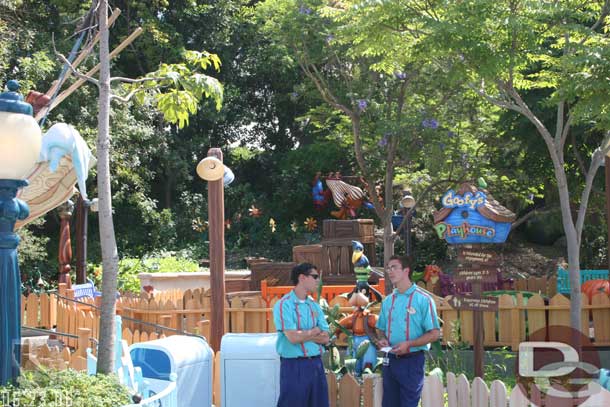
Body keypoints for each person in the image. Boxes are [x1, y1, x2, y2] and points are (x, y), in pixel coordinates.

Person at [376, 255, 441, 407]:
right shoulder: (388, 301)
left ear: (406, 271)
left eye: (394, 267)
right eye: (388, 268)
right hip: (389, 362)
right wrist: (383, 339)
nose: (390, 271)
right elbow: (380, 329)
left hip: (412, 362)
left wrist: (409, 344)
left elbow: (434, 333)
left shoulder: (423, 299)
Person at [273, 263, 330, 407]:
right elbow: (293, 338)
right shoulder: (283, 305)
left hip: (316, 364)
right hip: (294, 366)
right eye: (315, 276)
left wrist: (304, 335)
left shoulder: (315, 305)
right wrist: (314, 331)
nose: (318, 280)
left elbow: (326, 337)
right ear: (302, 278)